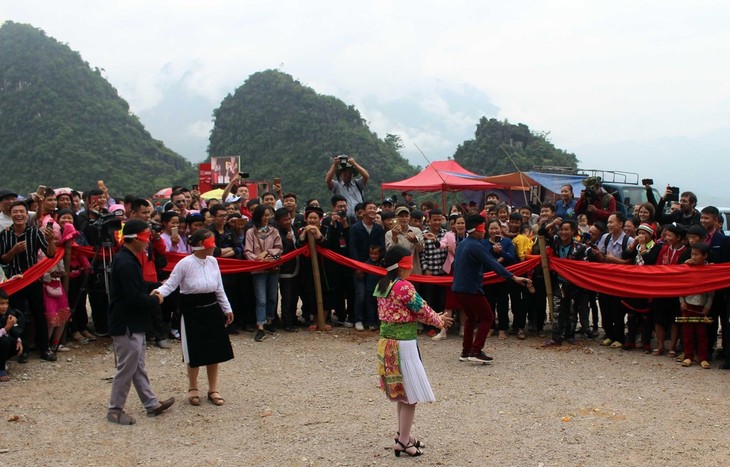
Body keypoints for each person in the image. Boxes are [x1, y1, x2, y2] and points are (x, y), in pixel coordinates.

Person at [374, 246, 453, 458]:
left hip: (387, 342)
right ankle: (402, 441)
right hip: (404, 345)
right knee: (410, 396)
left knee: (402, 393)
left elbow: (407, 311)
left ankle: (404, 435)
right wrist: (439, 320)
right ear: (403, 265)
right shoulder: (404, 286)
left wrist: (433, 317)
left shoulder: (383, 284)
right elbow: (420, 309)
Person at [153, 229, 235, 405]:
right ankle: (193, 387)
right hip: (192, 310)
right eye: (209, 243)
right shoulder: (185, 264)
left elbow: (219, 287)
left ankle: (213, 389)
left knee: (214, 350)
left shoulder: (213, 262)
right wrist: (159, 292)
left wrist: (226, 308)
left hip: (212, 308)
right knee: (194, 350)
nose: (213, 247)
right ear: (199, 245)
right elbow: (171, 284)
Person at [107, 219, 174, 425]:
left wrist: (156, 284)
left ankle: (151, 403)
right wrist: (155, 298)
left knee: (137, 365)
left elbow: (137, 285)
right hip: (126, 322)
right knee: (127, 367)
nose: (148, 241)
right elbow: (133, 297)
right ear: (135, 238)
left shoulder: (129, 258)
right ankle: (115, 409)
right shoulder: (126, 262)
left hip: (133, 321)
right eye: (145, 237)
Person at [452, 215, 532, 363]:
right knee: (488, 317)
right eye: (483, 229)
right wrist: (513, 277)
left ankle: (466, 351)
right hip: (471, 288)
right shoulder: (476, 246)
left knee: (472, 317)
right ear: (476, 230)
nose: (485, 233)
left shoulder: (463, 244)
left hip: (458, 287)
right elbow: (492, 264)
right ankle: (476, 351)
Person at [0, 200, 57, 362]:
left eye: (21, 212)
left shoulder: (35, 233)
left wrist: (51, 240)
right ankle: (22, 349)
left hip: (33, 279)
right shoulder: (4, 235)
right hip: (14, 281)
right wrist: (13, 251)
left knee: (39, 314)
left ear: (27, 214)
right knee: (17, 315)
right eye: (15, 212)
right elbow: (3, 260)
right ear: (10, 215)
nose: (18, 215)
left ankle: (44, 348)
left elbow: (51, 254)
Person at [244, 205, 283, 342]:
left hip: (272, 266)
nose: (267, 218)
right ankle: (260, 325)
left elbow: (279, 249)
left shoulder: (274, 231)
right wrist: (258, 260)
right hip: (258, 269)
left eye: (269, 215)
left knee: (272, 296)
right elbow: (247, 251)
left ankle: (269, 320)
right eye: (264, 215)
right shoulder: (250, 232)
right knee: (261, 298)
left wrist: (268, 254)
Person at [349, 201, 385, 331]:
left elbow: (382, 247)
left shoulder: (378, 228)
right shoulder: (355, 228)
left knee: (373, 295)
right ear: (363, 211)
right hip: (358, 266)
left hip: (374, 268)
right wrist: (357, 266)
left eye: (375, 208)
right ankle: (357, 319)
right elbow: (352, 248)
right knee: (361, 294)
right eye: (370, 208)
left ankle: (373, 320)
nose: (373, 210)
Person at [678, 243, 713, 368]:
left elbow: (711, 291)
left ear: (705, 256)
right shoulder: (687, 268)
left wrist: (708, 306)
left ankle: (703, 357)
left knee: (702, 333)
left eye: (697, 254)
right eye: (692, 254)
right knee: (687, 333)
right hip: (688, 305)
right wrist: (682, 301)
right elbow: (681, 286)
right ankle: (688, 356)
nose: (693, 256)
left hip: (701, 305)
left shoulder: (710, 270)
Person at [0, 289, 26, 382]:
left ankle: (2, 361)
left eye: (6, 303)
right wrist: (7, 327)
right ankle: (1, 369)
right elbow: (6, 330)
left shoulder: (8, 312)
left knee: (17, 346)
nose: (4, 306)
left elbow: (14, 328)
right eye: (1, 304)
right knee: (4, 341)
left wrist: (18, 340)